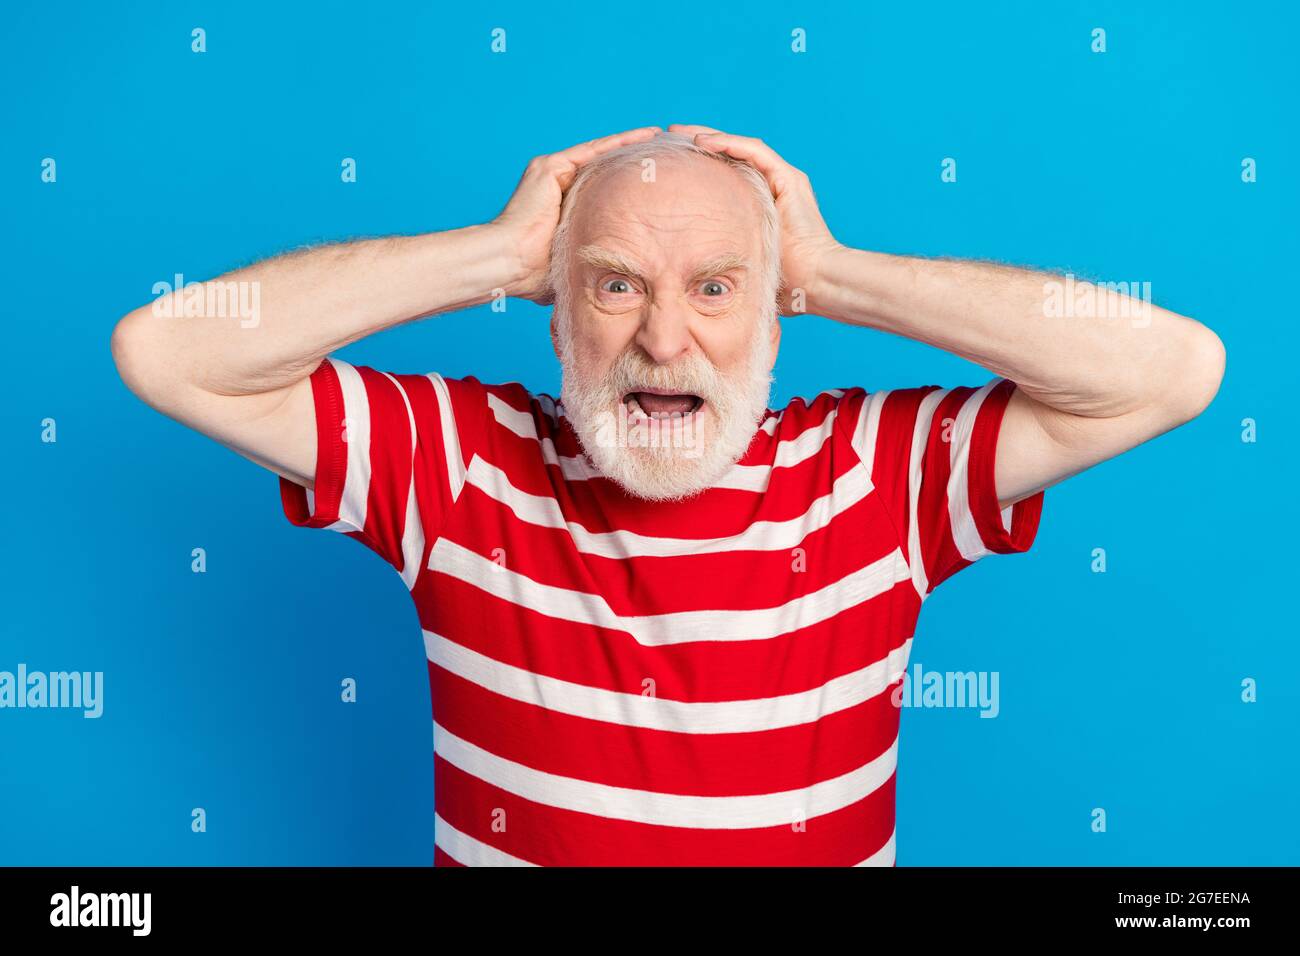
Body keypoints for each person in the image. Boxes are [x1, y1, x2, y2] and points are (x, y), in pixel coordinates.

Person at [111, 125, 1225, 866]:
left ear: (774, 312)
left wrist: (831, 269)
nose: (661, 334)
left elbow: (1172, 371)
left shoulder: (877, 477)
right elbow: (169, 352)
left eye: (713, 287)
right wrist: (494, 253)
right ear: (553, 309)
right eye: (612, 284)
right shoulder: (460, 463)